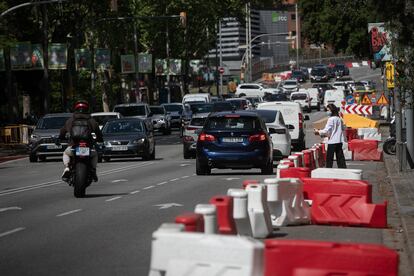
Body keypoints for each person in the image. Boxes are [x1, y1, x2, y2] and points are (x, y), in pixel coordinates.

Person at [59, 100, 103, 182]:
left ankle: (67, 168)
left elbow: (62, 131)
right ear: (87, 109)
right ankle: (93, 170)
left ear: (76, 108)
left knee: (66, 153)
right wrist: (99, 139)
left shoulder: (71, 120)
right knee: (95, 154)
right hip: (88, 146)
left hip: (73, 145)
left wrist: (60, 138)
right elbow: (98, 133)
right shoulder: (91, 120)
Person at [314, 104, 347, 168]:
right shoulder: (339, 118)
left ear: (332, 110)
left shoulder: (331, 119)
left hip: (332, 141)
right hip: (339, 141)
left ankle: (329, 169)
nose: (327, 111)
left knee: (329, 158)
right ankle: (343, 168)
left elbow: (326, 130)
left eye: (328, 110)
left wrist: (318, 131)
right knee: (340, 157)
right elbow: (343, 128)